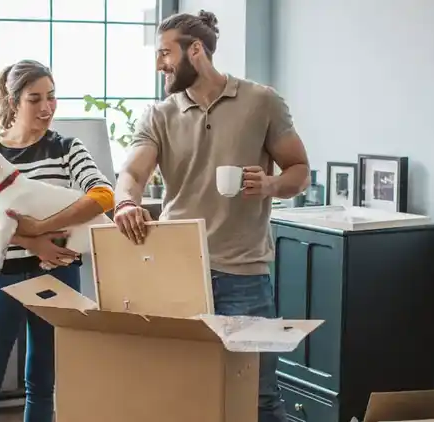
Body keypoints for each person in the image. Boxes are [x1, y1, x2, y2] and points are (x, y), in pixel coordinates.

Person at [113, 10, 310, 422]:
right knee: (183, 394)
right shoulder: (159, 115)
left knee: (258, 398)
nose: (159, 64)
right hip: (178, 275)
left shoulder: (262, 101)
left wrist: (270, 185)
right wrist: (126, 202)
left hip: (245, 276)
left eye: (166, 53)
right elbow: (132, 173)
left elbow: (299, 171)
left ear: (196, 50)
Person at [0, 59, 114, 422]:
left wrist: (41, 229)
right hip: (1, 278)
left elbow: (103, 195)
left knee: (42, 386)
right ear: (13, 102)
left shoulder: (67, 148)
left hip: (58, 276)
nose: (47, 107)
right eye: (35, 99)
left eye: (52, 97)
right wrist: (32, 242)